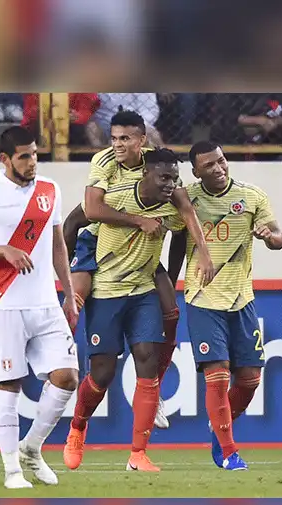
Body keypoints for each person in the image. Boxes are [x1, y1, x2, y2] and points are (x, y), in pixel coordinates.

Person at [65, 149, 203, 473]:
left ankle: (138, 454)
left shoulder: (173, 206)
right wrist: (66, 268)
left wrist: (170, 275)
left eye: (174, 178)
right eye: (164, 177)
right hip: (107, 290)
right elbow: (72, 221)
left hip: (143, 290)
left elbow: (181, 234)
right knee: (102, 373)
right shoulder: (113, 198)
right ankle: (77, 428)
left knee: (146, 356)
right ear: (145, 174)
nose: (170, 184)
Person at [0, 126, 80, 490]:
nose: (32, 163)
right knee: (9, 386)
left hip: (45, 303)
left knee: (67, 377)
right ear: (5, 159)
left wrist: (70, 294)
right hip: (5, 304)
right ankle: (13, 470)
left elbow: (58, 244)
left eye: (35, 155)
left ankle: (32, 447)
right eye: (24, 156)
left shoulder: (50, 190)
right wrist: (3, 250)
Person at [63, 110, 188, 430]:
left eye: (125, 139)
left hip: (138, 252)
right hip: (96, 242)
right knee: (75, 296)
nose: (117, 145)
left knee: (171, 310)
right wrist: (64, 269)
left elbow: (182, 225)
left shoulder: (159, 168)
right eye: (114, 138)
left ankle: (156, 387)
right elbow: (85, 214)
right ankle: (59, 358)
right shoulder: (104, 163)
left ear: (141, 140)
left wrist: (172, 279)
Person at [168, 140, 282, 471]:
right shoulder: (187, 198)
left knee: (249, 380)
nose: (219, 168)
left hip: (242, 299)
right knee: (217, 375)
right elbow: (174, 234)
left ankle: (219, 427)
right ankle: (229, 450)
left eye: (222, 161)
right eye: (210, 165)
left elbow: (279, 239)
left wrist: (268, 236)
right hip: (203, 298)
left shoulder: (252, 196)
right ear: (195, 172)